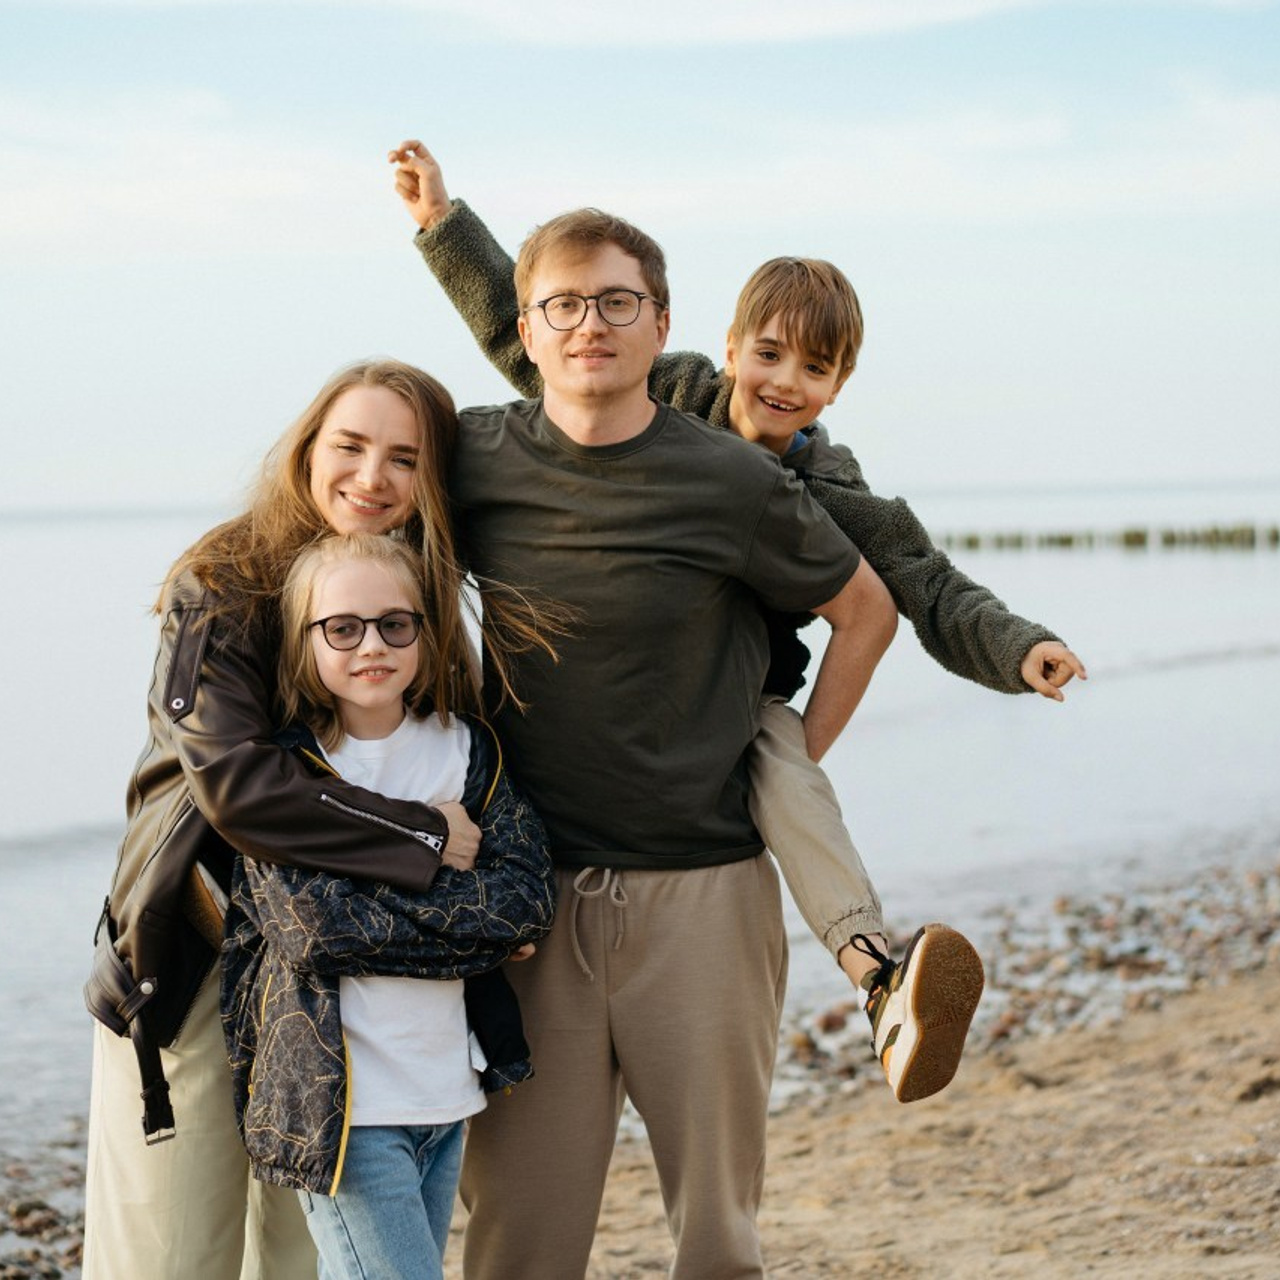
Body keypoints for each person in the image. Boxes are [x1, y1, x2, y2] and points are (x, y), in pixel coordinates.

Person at [389, 139, 1084, 1103]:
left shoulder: (830, 487)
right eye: (768, 354)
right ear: (726, 349)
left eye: (815, 367)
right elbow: (532, 338)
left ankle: (879, 978)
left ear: (839, 386)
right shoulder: (663, 393)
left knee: (780, 764)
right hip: (606, 732)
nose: (784, 382)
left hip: (741, 706)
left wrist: (1020, 651)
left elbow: (921, 583)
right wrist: (442, 223)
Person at [383, 167, 903, 1274]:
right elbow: (357, 527)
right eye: (563, 304)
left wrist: (793, 751)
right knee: (519, 1234)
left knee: (717, 1231)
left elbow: (866, 609)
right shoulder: (474, 455)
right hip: (530, 903)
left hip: (704, 898)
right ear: (526, 328)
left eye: (617, 301)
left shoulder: (732, 480)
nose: (590, 324)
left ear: (660, 323)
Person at [82, 359, 554, 1279]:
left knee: (300, 1261)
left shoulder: (405, 604)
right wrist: (425, 836)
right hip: (194, 960)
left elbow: (481, 797)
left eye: (403, 457)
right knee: (169, 1254)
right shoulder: (218, 586)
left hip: (334, 1019)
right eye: (350, 446)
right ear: (307, 450)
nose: (371, 477)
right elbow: (242, 788)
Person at [221, 531, 554, 1280]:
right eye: (342, 627)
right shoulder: (285, 774)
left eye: (393, 624)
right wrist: (457, 893)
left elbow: (525, 898)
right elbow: (314, 930)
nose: (371, 644)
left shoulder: (467, 749)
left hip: (447, 1090)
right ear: (305, 641)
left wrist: (383, 900)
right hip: (344, 1111)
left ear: (423, 632)